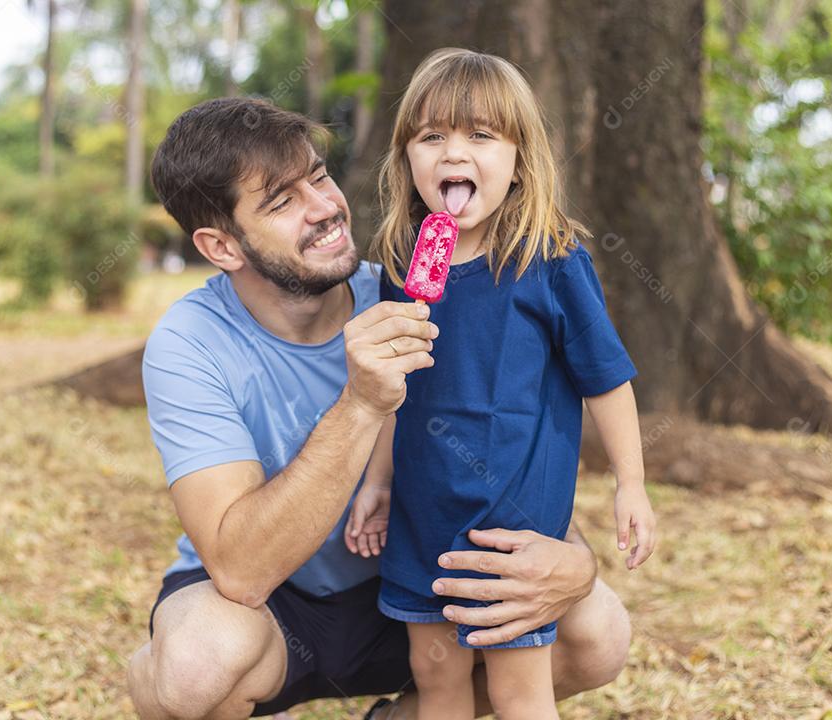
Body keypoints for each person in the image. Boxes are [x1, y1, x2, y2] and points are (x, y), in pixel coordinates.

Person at [127, 96, 632, 720]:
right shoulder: (190, 342)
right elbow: (241, 571)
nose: (325, 208)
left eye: (318, 176)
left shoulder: (412, 293)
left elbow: (505, 453)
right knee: (196, 665)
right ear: (222, 246)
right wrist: (363, 399)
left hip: (419, 585)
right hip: (272, 608)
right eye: (282, 202)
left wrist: (576, 561)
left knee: (598, 631)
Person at [344, 49, 656, 720]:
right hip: (422, 514)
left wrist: (631, 481)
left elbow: (606, 379)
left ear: (520, 159)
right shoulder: (402, 265)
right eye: (432, 137)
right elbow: (392, 391)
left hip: (510, 529)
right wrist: (376, 482)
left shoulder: (550, 260)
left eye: (480, 135)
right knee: (437, 680)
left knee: (518, 690)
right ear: (406, 159)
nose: (453, 153)